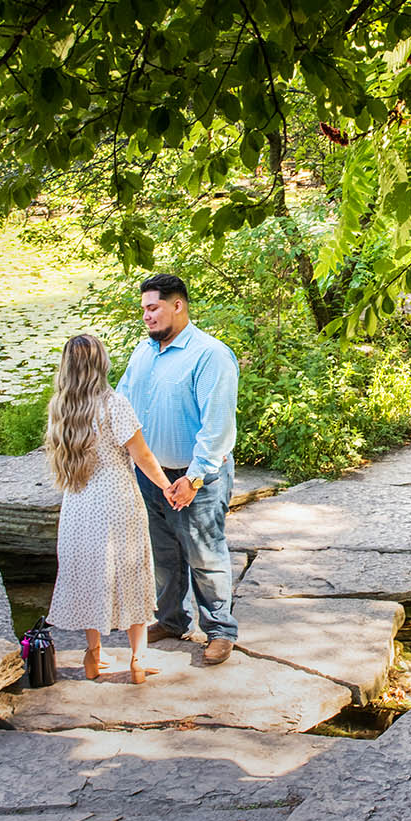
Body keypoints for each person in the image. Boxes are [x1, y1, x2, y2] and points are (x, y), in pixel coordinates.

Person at [116, 273, 241, 665]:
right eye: (144, 310)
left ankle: (220, 630)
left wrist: (193, 477)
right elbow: (121, 405)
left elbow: (217, 427)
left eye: (153, 308)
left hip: (197, 477)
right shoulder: (143, 353)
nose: (147, 317)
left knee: (205, 554)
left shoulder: (210, 355)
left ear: (177, 305)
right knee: (163, 554)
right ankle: (171, 620)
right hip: (152, 475)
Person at [45, 333, 178, 685]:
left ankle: (93, 655)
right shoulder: (113, 404)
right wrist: (167, 486)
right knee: (131, 573)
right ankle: (137, 660)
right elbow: (142, 455)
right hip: (117, 501)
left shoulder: (61, 406)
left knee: (91, 574)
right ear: (100, 364)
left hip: (78, 503)